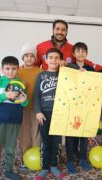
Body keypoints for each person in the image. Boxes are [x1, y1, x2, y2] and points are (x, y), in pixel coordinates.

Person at [0, 56, 29, 180]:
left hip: (14, 121)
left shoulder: (20, 83)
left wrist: (24, 100)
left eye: (14, 69)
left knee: (11, 148)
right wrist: (4, 95)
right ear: (2, 69)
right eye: (7, 68)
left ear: (18, 69)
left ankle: (8, 170)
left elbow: (24, 103)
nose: (11, 71)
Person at [34, 48, 65, 179]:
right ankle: (45, 167)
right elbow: (36, 95)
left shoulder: (64, 74)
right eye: (50, 57)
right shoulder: (41, 75)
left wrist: (67, 66)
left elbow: (76, 71)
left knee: (56, 141)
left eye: (57, 58)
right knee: (45, 141)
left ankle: (54, 165)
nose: (53, 60)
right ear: (46, 60)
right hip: (44, 113)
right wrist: (38, 111)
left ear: (60, 60)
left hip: (59, 113)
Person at [65, 42, 93, 174]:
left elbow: (95, 87)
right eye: (78, 51)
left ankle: (83, 159)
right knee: (70, 135)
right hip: (71, 105)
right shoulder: (68, 67)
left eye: (83, 51)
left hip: (86, 106)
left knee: (84, 135)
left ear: (86, 53)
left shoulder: (91, 69)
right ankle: (70, 161)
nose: (81, 53)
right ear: (74, 53)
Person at [36, 19, 102, 71]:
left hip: (67, 85)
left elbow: (86, 62)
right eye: (57, 29)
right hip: (48, 85)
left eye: (63, 30)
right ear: (53, 30)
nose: (60, 32)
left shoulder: (72, 49)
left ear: (66, 32)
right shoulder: (40, 47)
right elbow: (33, 66)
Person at [18, 44, 43, 171]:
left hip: (37, 108)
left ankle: (36, 156)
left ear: (35, 58)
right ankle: (25, 156)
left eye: (32, 56)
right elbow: (12, 88)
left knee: (36, 132)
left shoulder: (40, 71)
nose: (29, 58)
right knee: (24, 133)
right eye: (26, 56)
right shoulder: (18, 71)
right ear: (23, 57)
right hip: (22, 108)